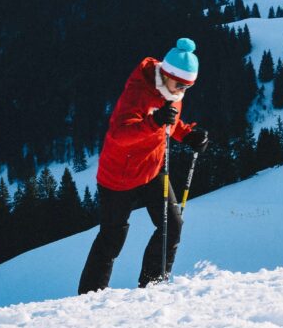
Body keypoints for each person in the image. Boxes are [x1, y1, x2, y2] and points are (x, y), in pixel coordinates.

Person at [78, 38, 209, 294]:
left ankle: (153, 287)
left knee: (172, 225)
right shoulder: (138, 93)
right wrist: (154, 122)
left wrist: (188, 134)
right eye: (180, 84)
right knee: (112, 238)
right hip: (119, 176)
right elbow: (120, 134)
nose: (183, 90)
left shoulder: (174, 92)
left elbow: (169, 123)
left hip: (152, 168)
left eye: (188, 86)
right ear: (166, 74)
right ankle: (89, 298)